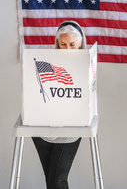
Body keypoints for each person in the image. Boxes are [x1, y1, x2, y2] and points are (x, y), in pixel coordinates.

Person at [32, 21, 86, 189]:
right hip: (43, 126)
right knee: (50, 177)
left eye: (72, 45)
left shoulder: (86, 64)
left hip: (70, 127)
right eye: (63, 44)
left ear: (80, 44)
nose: (67, 49)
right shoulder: (45, 62)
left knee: (58, 179)